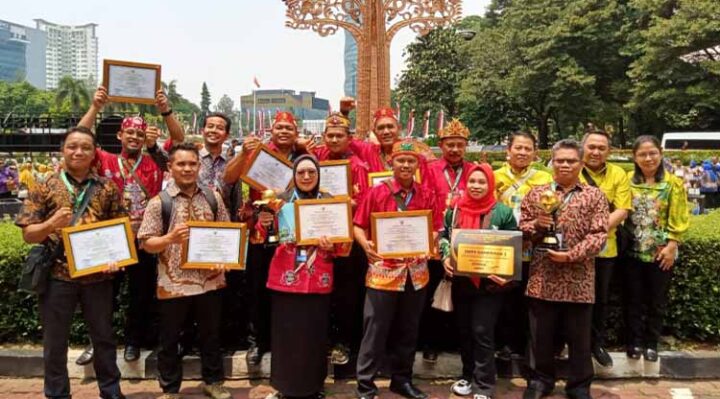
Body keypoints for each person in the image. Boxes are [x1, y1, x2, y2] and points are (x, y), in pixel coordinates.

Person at [76, 86, 184, 363]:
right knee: (104, 296)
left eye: (139, 133)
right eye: (130, 133)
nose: (134, 137)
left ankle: (133, 342)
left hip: (144, 240)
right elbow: (81, 137)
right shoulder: (106, 159)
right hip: (111, 240)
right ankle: (96, 343)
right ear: (120, 136)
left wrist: (165, 110)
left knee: (140, 295)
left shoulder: (153, 163)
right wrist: (95, 107)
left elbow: (179, 139)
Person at [15, 126, 126, 399]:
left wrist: (116, 260)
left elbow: (120, 230)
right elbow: (28, 234)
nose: (78, 152)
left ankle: (111, 391)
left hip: (97, 276)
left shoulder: (107, 187)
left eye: (85, 147)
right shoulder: (44, 185)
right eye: (72, 146)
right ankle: (57, 394)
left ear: (94, 154)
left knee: (103, 338)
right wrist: (52, 223)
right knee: (55, 342)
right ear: (62, 150)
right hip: (57, 276)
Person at [137, 142, 232, 399]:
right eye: (181, 164)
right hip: (173, 283)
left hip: (210, 280)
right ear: (170, 167)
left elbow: (227, 233)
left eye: (192, 163)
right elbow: (146, 243)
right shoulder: (160, 202)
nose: (187, 168)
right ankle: (170, 388)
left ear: (199, 166)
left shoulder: (213, 197)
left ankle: (213, 382)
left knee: (211, 335)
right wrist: (169, 239)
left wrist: (223, 258)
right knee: (169, 338)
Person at [353, 139, 444, 399]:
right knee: (375, 330)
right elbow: (358, 225)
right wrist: (366, 245)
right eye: (400, 160)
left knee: (408, 329)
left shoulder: (426, 194)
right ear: (391, 162)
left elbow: (436, 227)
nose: (405, 165)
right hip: (383, 273)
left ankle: (401, 380)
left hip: (415, 274)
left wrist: (432, 243)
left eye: (411, 161)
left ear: (417, 164)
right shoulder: (377, 192)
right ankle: (365, 385)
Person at [520, 139, 608, 399]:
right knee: (540, 336)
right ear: (552, 162)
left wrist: (571, 255)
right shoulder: (537, 193)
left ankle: (579, 385)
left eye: (571, 161)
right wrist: (536, 223)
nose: (565, 165)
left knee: (579, 338)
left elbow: (599, 235)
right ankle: (539, 382)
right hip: (543, 276)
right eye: (560, 160)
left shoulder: (594, 195)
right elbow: (522, 229)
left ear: (581, 164)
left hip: (578, 278)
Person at [223, 111, 308, 366]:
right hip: (261, 230)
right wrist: (243, 153)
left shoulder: (303, 157)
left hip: (294, 233)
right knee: (257, 288)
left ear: (296, 132)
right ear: (271, 130)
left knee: (292, 288)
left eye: (289, 128)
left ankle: (285, 340)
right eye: (279, 127)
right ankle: (257, 342)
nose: (283, 132)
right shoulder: (258, 154)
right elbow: (229, 178)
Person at [261, 155, 338, 399]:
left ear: (318, 175)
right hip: (287, 276)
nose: (306, 177)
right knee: (286, 333)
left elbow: (342, 243)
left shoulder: (329, 202)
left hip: (318, 275)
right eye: (301, 172)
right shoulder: (278, 201)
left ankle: (314, 386)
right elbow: (262, 237)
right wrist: (265, 223)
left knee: (314, 333)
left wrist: (332, 242)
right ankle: (285, 387)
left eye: (311, 173)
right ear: (293, 175)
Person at [439, 163, 517, 399]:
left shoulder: (502, 212)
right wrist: (445, 257)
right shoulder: (455, 211)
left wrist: (505, 272)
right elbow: (444, 236)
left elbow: (513, 245)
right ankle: (467, 376)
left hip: (489, 286)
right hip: (461, 282)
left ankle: (484, 385)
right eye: (472, 181)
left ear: (490, 184)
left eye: (482, 182)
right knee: (464, 331)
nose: (476, 186)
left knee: (482, 331)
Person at [311, 112, 370, 368]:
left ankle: (345, 342)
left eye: (339, 135)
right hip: (320, 234)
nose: (334, 139)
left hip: (347, 239)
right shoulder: (316, 160)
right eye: (330, 135)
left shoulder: (358, 166)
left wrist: (349, 201)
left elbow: (367, 202)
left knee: (348, 293)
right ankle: (322, 340)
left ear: (349, 139)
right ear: (324, 137)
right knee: (321, 290)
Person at [624, 135, 689, 362]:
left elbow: (679, 215)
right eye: (642, 154)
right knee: (633, 300)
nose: (648, 158)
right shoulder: (627, 182)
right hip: (631, 251)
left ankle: (652, 343)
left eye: (652, 153)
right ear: (635, 157)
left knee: (656, 300)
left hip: (661, 253)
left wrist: (672, 245)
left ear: (660, 154)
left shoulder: (672, 183)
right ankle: (634, 342)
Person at [492, 131, 552, 359]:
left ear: (535, 153)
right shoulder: (495, 176)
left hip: (533, 246)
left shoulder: (544, 179)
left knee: (530, 299)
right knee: (504, 298)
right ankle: (505, 345)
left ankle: (528, 346)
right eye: (518, 147)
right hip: (504, 247)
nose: (523, 152)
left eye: (528, 149)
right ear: (508, 151)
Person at [579, 127, 631, 368]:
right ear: (583, 148)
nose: (596, 152)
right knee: (571, 298)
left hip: (604, 248)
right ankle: (569, 343)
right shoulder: (571, 169)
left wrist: (594, 232)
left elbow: (622, 209)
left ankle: (595, 343)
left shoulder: (619, 174)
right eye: (592, 146)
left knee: (600, 298)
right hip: (573, 249)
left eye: (601, 148)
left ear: (609, 151)